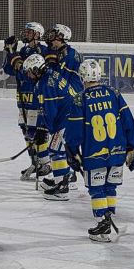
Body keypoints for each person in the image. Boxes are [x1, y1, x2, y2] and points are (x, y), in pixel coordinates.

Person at [65, 59, 134, 242]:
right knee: (110, 187)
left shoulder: (80, 99)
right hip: (117, 152)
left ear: (82, 76)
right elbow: (128, 121)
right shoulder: (114, 93)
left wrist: (72, 150)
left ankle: (102, 221)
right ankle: (108, 217)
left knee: (97, 189)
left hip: (94, 154)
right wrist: (133, 145)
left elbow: (74, 131)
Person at [21, 53, 82, 200]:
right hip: (70, 116)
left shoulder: (45, 83)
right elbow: (43, 108)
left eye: (29, 71)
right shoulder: (48, 76)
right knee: (60, 149)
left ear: (36, 69)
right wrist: (36, 128)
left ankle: (62, 187)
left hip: (68, 118)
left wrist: (42, 128)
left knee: (55, 149)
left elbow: (50, 110)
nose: (28, 75)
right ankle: (63, 178)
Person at [3, 22, 49, 180]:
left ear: (38, 34)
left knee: (36, 131)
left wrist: (14, 58)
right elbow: (10, 70)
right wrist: (10, 52)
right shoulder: (23, 50)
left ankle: (45, 163)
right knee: (26, 132)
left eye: (30, 32)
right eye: (27, 31)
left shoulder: (43, 51)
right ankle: (35, 161)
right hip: (22, 97)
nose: (27, 34)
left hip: (36, 98)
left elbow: (24, 71)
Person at [44, 23, 83, 90]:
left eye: (53, 36)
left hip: (73, 92)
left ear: (60, 37)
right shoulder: (63, 52)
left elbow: (60, 77)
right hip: (69, 90)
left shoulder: (69, 55)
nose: (50, 38)